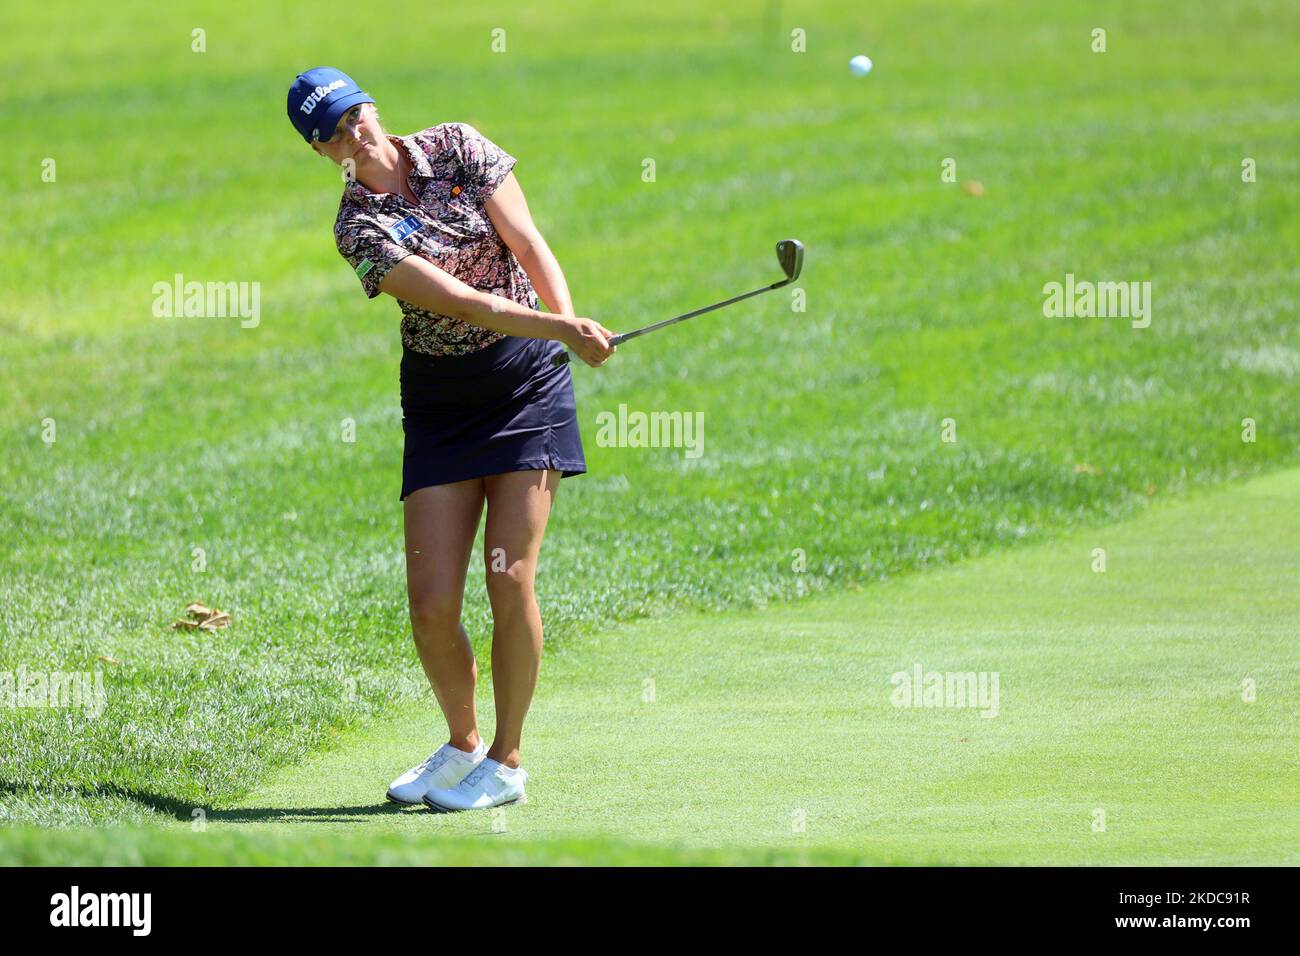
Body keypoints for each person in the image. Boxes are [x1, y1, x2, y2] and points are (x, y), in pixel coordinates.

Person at [286, 67, 616, 812]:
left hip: (525, 381)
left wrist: (567, 329)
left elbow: (526, 243)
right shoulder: (356, 229)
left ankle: (507, 759)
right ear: (319, 150)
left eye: (354, 115)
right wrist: (564, 327)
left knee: (509, 575)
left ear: (372, 106)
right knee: (431, 601)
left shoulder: (459, 147)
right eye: (332, 133)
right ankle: (462, 742)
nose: (353, 135)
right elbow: (462, 301)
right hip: (441, 403)